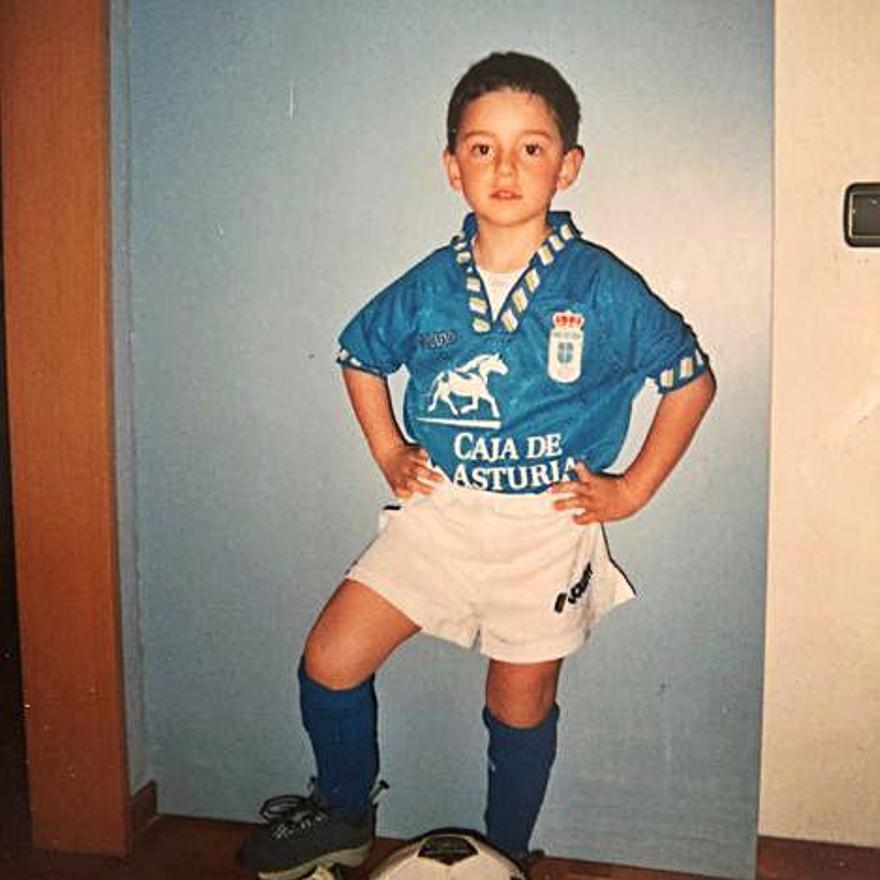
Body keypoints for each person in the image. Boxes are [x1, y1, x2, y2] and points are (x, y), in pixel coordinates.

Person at [238, 51, 715, 879]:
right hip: (442, 514)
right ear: (453, 167)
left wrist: (632, 486)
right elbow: (359, 353)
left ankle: (507, 856)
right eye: (483, 147)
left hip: (546, 528)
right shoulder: (429, 285)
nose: (505, 166)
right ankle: (346, 815)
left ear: (567, 166)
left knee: (517, 704)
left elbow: (690, 380)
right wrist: (389, 448)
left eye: (531, 148)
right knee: (330, 660)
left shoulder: (600, 286)